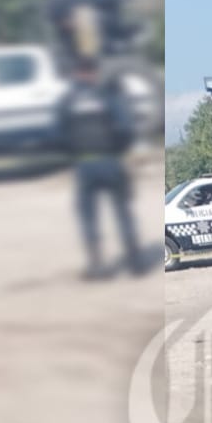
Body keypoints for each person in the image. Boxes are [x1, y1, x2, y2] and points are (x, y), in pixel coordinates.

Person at [60, 57, 142, 278]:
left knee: (89, 217)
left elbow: (58, 132)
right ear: (95, 74)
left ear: (76, 74)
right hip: (111, 161)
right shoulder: (108, 96)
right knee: (123, 214)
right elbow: (125, 128)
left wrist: (71, 155)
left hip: (84, 164)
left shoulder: (68, 100)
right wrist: (119, 151)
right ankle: (135, 263)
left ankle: (97, 266)